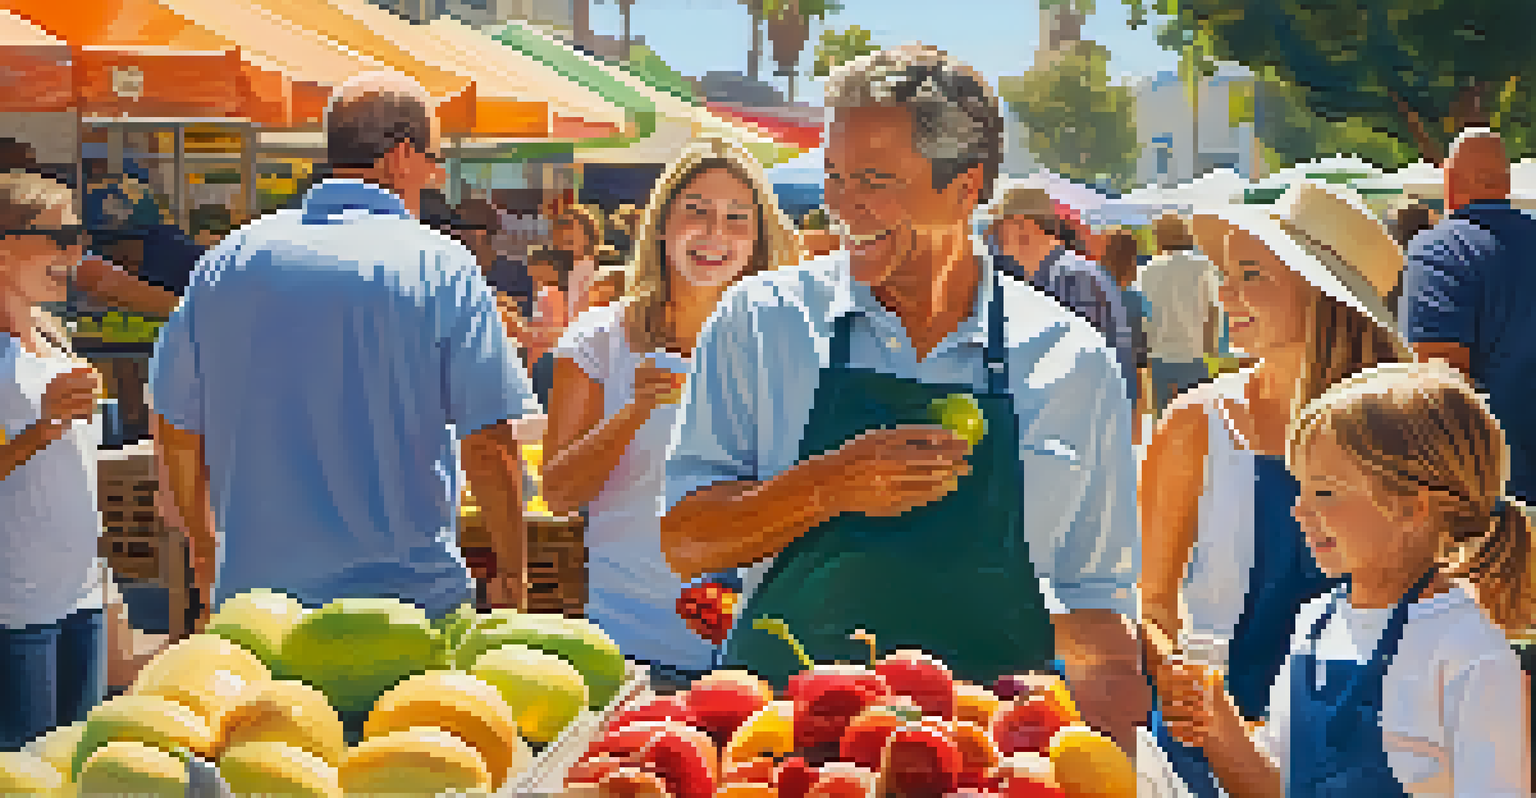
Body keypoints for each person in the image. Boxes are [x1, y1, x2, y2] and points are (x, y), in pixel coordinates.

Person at [661, 44, 1148, 748]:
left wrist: (1120, 762)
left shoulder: (1072, 362)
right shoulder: (760, 323)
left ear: (966, 187)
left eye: (875, 180)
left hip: (987, 763)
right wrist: (828, 485)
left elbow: (1097, 599)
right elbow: (686, 539)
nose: (842, 204)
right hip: (781, 755)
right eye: (834, 176)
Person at [149, 72, 539, 627]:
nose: (433, 174)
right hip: (407, 610)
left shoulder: (228, 260)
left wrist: (206, 550)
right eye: (432, 159)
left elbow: (176, 425)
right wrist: (513, 578)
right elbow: (489, 443)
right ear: (401, 156)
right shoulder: (443, 266)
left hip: (259, 613)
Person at [1152, 360, 1533, 797]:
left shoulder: (1470, 654)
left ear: (1412, 509)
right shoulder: (1315, 624)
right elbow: (1275, 788)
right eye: (1301, 488)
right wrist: (1216, 725)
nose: (1299, 510)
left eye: (1326, 492)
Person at [1140, 181, 1410, 797]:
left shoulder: (1401, 432)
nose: (1227, 295)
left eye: (1251, 275)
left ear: (1320, 293)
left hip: (1363, 750)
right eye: (1227, 275)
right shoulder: (1195, 423)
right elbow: (1151, 600)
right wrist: (1169, 672)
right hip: (1203, 742)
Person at [542, 137, 801, 691]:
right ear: (661, 224)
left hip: (759, 655)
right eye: (697, 212)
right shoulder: (600, 341)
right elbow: (561, 494)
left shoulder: (786, 348)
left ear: (755, 240)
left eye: (736, 218)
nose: (714, 234)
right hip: (634, 653)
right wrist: (634, 411)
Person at [0, 172, 155, 747]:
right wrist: (39, 430)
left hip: (82, 594)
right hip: (17, 606)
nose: (73, 254)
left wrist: (106, 583)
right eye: (57, 237)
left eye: (77, 237)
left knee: (74, 767)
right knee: (24, 772)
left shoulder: (54, 337)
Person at [1400, 128, 1536, 504]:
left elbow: (1439, 385)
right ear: (1505, 183)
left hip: (1492, 498)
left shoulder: (1439, 250)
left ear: (1449, 180)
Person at [986, 187, 1138, 404]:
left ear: (1021, 225)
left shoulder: (1080, 280)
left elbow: (1110, 361)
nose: (993, 235)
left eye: (998, 226)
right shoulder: (1007, 275)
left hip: (1077, 415)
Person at [1136, 214, 1220, 418]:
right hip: (1193, 353)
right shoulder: (1202, 267)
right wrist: (1212, 350)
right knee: (1200, 421)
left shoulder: (1145, 271)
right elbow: (1212, 311)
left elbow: (1142, 317)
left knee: (1164, 422)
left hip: (1158, 356)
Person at [1100, 227, 1152, 442]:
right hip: (1126, 372)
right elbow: (1141, 351)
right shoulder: (1135, 298)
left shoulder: (1092, 290)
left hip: (1098, 369)